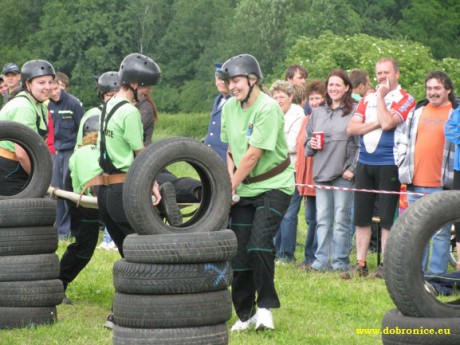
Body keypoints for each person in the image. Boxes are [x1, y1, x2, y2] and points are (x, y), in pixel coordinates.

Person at [220, 54, 294, 331]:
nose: (232, 86)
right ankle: (245, 314)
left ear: (253, 80)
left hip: (274, 186)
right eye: (229, 82)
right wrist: (231, 182)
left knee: (259, 244)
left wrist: (230, 187)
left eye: (236, 81)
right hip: (244, 186)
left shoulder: (268, 108)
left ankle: (265, 309)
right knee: (239, 252)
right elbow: (231, 150)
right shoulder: (229, 107)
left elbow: (252, 155)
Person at [95, 53, 164, 328]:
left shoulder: (108, 105)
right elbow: (141, 155)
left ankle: (122, 312)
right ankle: (121, 313)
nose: (148, 92)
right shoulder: (129, 112)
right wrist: (154, 184)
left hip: (105, 191)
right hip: (124, 189)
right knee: (141, 253)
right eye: (146, 86)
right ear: (134, 83)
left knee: (127, 253)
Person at [344, 57, 416, 279]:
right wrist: (374, 121)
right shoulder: (367, 98)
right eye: (379, 73)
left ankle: (385, 265)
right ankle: (361, 262)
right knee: (361, 216)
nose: (382, 77)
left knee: (387, 218)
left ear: (397, 74)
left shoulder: (406, 98)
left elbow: (387, 123)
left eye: (387, 73)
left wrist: (382, 100)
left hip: (389, 163)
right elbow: (351, 129)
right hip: (365, 162)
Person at [398, 71, 457, 275]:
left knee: (440, 234)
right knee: (416, 233)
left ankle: (437, 278)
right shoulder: (417, 112)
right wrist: (402, 164)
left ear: (448, 89)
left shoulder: (456, 112)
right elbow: (402, 140)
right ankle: (416, 277)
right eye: (429, 88)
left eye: (437, 88)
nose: (432, 92)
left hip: (444, 184)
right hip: (415, 182)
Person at [305, 70, 358, 272]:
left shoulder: (355, 111)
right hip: (321, 173)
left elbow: (360, 144)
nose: (334, 88)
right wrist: (312, 144)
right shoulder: (317, 112)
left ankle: (340, 263)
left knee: (341, 221)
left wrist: (352, 168)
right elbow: (306, 146)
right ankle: (321, 262)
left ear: (346, 87)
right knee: (323, 220)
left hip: (343, 175)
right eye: (331, 85)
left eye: (338, 84)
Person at [59, 116, 102, 302]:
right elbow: (92, 184)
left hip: (95, 202)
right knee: (84, 248)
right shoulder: (88, 151)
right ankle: (57, 285)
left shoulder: (103, 149)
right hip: (86, 205)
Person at [0, 60, 54, 195]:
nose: (47, 87)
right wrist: (41, 180)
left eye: (50, 82)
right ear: (27, 83)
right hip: (8, 168)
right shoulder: (24, 107)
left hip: (18, 166)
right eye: (41, 83)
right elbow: (22, 153)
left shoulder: (40, 104)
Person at [270, 80, 304, 263]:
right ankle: (274, 251)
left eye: (282, 96)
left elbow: (292, 144)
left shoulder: (298, 114)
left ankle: (286, 254)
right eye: (274, 97)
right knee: (275, 211)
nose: (278, 100)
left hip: (292, 169)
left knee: (289, 213)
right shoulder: (271, 113)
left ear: (291, 97)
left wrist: (270, 145)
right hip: (274, 170)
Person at [49, 77, 85, 239]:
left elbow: (83, 129)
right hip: (57, 152)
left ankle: (69, 231)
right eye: (51, 90)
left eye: (57, 89)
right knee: (56, 191)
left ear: (61, 88)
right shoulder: (48, 105)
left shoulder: (73, 103)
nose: (54, 93)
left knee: (68, 191)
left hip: (72, 151)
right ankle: (59, 230)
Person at [296, 80, 326, 268]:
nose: (314, 102)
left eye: (318, 98)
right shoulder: (306, 119)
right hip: (306, 178)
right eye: (311, 98)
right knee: (310, 218)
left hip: (319, 176)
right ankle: (309, 256)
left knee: (317, 218)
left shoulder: (324, 119)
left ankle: (313, 257)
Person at [204, 63, 230, 163]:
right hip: (210, 154)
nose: (221, 82)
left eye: (225, 80)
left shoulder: (236, 101)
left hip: (225, 157)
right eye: (219, 79)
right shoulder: (217, 99)